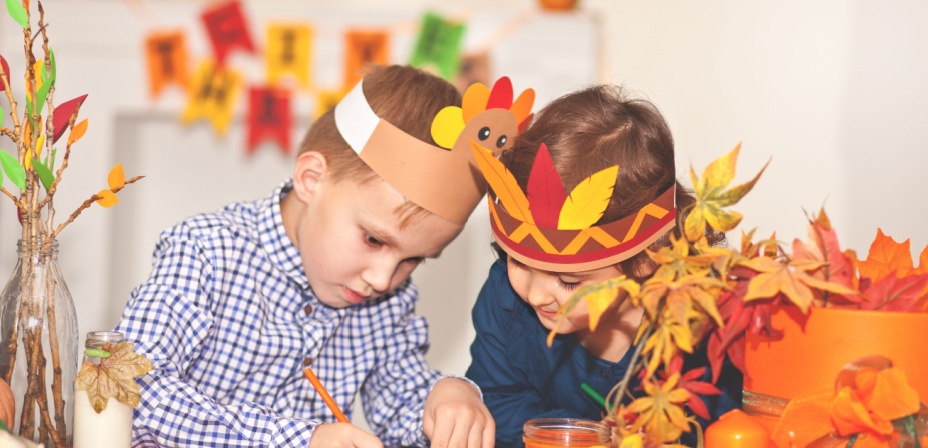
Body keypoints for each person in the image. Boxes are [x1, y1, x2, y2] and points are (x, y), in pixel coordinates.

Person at [114, 65, 528, 448]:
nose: (384, 279)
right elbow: (129, 390)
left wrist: (447, 395)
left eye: (414, 260)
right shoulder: (205, 252)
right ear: (311, 179)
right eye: (373, 239)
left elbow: (401, 400)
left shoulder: (384, 299)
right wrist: (299, 440)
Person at [464, 85, 743, 447]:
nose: (534, 294)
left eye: (567, 281)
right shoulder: (506, 297)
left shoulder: (702, 321)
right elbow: (498, 401)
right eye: (517, 260)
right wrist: (587, 437)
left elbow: (726, 424)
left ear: (644, 260)